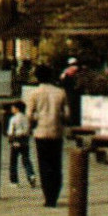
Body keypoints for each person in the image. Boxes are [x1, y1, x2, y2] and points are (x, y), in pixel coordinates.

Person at [25, 65, 70, 208]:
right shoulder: (60, 92)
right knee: (56, 164)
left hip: (41, 132)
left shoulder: (34, 94)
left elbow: (29, 115)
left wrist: (34, 122)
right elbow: (67, 114)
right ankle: (55, 193)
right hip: (56, 132)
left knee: (44, 165)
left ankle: (48, 197)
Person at [7, 102, 36, 188]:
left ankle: (14, 181)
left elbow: (10, 132)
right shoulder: (26, 118)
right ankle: (31, 175)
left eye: (13, 107)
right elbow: (28, 130)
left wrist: (11, 140)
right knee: (26, 160)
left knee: (13, 162)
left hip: (16, 140)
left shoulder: (13, 119)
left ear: (17, 108)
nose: (12, 109)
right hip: (25, 141)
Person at [59, 57, 82, 127]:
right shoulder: (69, 71)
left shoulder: (66, 71)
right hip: (71, 92)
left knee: (70, 107)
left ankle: (71, 122)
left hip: (70, 92)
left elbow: (61, 79)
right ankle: (72, 122)